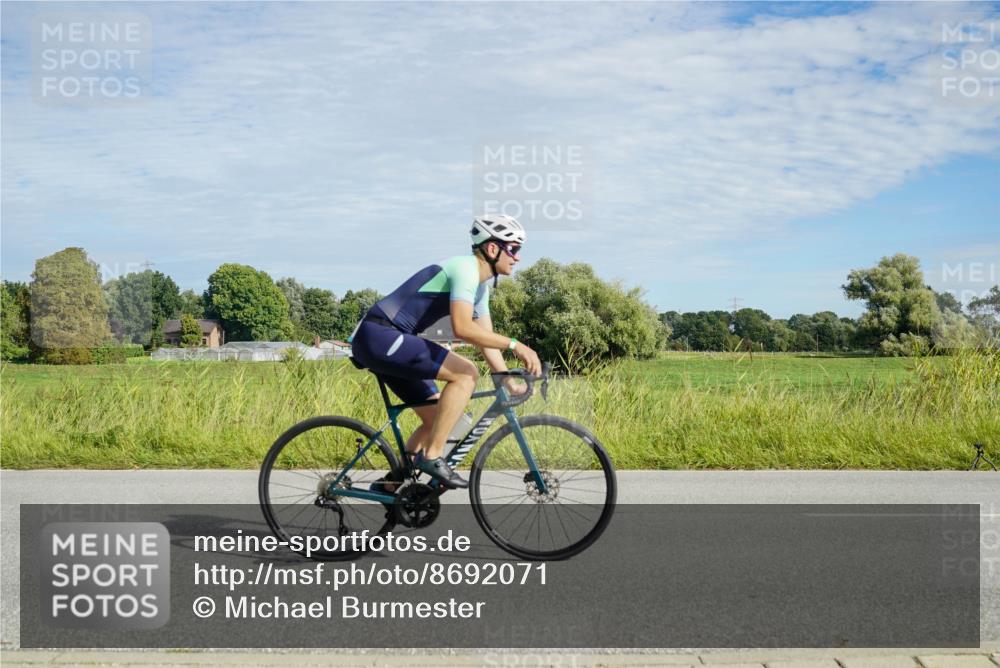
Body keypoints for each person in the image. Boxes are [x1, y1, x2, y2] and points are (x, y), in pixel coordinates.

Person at [349, 214, 542, 489]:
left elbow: (484, 338)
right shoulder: (465, 269)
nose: (517, 257)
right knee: (466, 373)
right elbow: (462, 327)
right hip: (380, 335)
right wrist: (516, 345)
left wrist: (508, 381)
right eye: (513, 248)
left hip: (388, 341)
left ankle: (395, 484)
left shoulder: (480, 288)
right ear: (492, 248)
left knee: (439, 416)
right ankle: (433, 455)